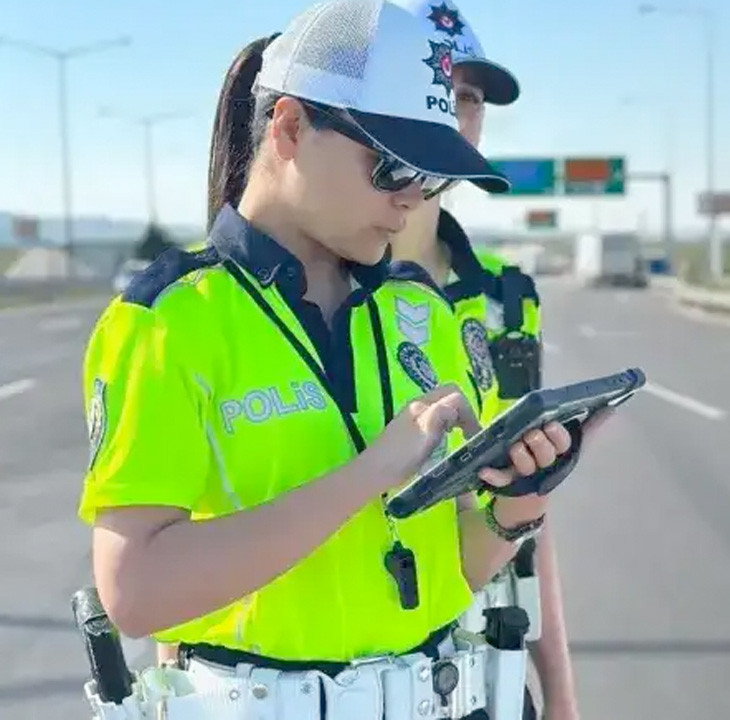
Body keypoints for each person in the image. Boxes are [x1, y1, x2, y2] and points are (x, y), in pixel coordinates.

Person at [79, 2, 603, 718]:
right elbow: (135, 594)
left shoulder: (422, 313)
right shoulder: (168, 322)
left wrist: (521, 502)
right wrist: (372, 472)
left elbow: (456, 570)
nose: (411, 199)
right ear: (290, 128)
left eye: (429, 175)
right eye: (391, 166)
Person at [383, 5, 575, 718]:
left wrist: (562, 695)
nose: (454, 112)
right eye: (437, 87)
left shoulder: (505, 298)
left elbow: (531, 510)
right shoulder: (313, 286)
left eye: (468, 97)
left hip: (483, 672)